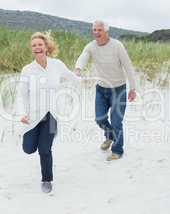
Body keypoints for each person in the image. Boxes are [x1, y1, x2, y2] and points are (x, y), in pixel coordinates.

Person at [16, 31, 81, 193]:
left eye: (39, 44)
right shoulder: (27, 70)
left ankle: (47, 179)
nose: (37, 47)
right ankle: (40, 138)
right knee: (29, 149)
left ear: (45, 47)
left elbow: (75, 79)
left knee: (45, 149)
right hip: (33, 115)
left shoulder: (57, 64)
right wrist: (21, 113)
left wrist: (79, 75)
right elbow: (21, 95)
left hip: (51, 115)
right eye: (33, 46)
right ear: (31, 50)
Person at [74, 20, 136, 161]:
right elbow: (83, 57)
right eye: (95, 30)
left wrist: (132, 89)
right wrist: (78, 68)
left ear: (106, 32)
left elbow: (129, 67)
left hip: (118, 89)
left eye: (99, 30)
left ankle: (117, 150)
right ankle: (109, 136)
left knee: (116, 122)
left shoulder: (117, 46)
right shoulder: (91, 47)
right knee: (100, 119)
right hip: (101, 89)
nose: (96, 32)